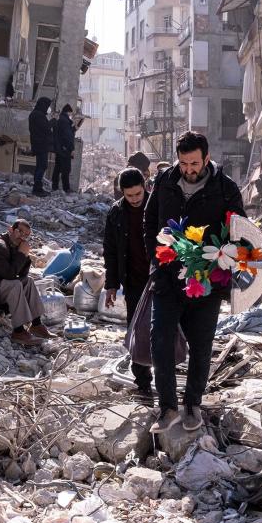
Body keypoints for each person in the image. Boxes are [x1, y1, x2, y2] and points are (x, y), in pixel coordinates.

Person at [145, 130, 245, 433]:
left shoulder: (225, 188)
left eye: (194, 163)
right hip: (167, 278)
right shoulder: (164, 181)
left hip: (207, 280)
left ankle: (192, 405)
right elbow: (150, 223)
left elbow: (239, 230)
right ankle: (167, 407)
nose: (189, 169)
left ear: (207, 159)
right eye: (184, 162)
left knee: (201, 345)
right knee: (159, 338)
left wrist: (218, 261)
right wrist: (158, 259)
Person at [0, 219, 55, 348]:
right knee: (15, 285)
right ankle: (18, 331)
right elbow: (10, 275)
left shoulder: (13, 244)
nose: (22, 237)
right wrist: (21, 254)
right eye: (20, 232)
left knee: (28, 281)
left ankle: (36, 324)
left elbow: (22, 274)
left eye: (26, 235)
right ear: (10, 229)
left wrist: (24, 254)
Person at [103, 167, 153, 397]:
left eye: (138, 194)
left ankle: (166, 378)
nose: (134, 199)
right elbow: (110, 250)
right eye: (129, 195)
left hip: (158, 279)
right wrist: (111, 284)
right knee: (136, 330)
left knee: (163, 330)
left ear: (145, 188)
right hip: (133, 282)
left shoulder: (157, 206)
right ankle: (143, 382)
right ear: (122, 192)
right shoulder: (116, 213)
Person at [28, 97, 54, 196]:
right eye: (48, 106)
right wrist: (54, 120)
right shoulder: (38, 115)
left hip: (39, 144)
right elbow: (46, 127)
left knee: (40, 166)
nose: (48, 108)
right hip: (41, 145)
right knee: (42, 166)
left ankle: (38, 188)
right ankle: (37, 189)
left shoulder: (36, 114)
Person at [52, 104, 76, 193]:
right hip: (65, 149)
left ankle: (54, 186)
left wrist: (73, 128)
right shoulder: (65, 121)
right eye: (70, 113)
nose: (71, 115)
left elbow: (64, 133)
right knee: (66, 169)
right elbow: (67, 136)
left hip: (59, 148)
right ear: (68, 112)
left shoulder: (61, 120)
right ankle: (66, 188)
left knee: (58, 168)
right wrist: (72, 148)